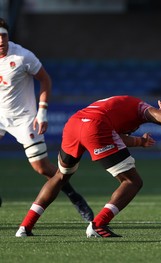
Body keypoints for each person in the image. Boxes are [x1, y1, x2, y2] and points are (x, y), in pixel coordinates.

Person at [15, 95, 161, 237]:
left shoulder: (120, 106)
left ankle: (25, 226)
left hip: (74, 123)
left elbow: (117, 135)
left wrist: (139, 142)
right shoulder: (141, 108)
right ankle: (98, 225)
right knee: (132, 181)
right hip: (94, 126)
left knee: (60, 176)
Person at [0, 18, 93, 221]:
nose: (0, 40)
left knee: (41, 168)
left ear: (8, 35)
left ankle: (74, 197)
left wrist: (42, 112)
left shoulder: (23, 56)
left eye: (3, 35)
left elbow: (45, 79)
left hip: (24, 118)